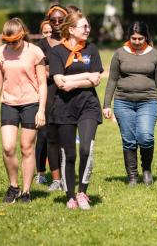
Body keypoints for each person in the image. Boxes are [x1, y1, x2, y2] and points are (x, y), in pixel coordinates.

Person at [103, 21, 157, 186]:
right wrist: (106, 104)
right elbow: (112, 80)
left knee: (145, 136)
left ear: (146, 37)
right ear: (129, 37)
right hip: (123, 102)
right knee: (128, 139)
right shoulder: (119, 54)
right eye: (133, 38)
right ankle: (133, 176)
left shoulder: (154, 54)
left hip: (148, 101)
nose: (136, 42)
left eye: (140, 39)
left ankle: (146, 169)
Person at [49, 11, 103, 210]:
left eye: (88, 26)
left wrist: (74, 82)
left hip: (88, 106)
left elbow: (96, 79)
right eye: (84, 27)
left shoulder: (92, 49)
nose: (88, 30)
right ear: (71, 29)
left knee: (86, 149)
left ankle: (82, 192)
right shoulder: (56, 52)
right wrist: (85, 77)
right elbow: (59, 81)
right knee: (69, 154)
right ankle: (70, 195)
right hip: (64, 108)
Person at [0, 18, 47, 203]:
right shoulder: (0, 53)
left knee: (27, 148)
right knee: (8, 147)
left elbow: (42, 83)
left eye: (14, 41)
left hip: (31, 103)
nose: (11, 45)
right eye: (7, 42)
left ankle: (26, 191)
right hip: (9, 104)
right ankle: (13, 187)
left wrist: (41, 110)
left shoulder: (35, 52)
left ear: (22, 35)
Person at [34, 5, 68, 191]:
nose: (56, 24)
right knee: (49, 136)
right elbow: (37, 71)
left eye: (60, 20)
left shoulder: (73, 41)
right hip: (48, 94)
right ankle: (54, 179)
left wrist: (51, 70)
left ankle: (66, 175)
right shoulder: (42, 46)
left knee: (67, 137)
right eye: (53, 20)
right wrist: (54, 72)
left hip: (70, 94)